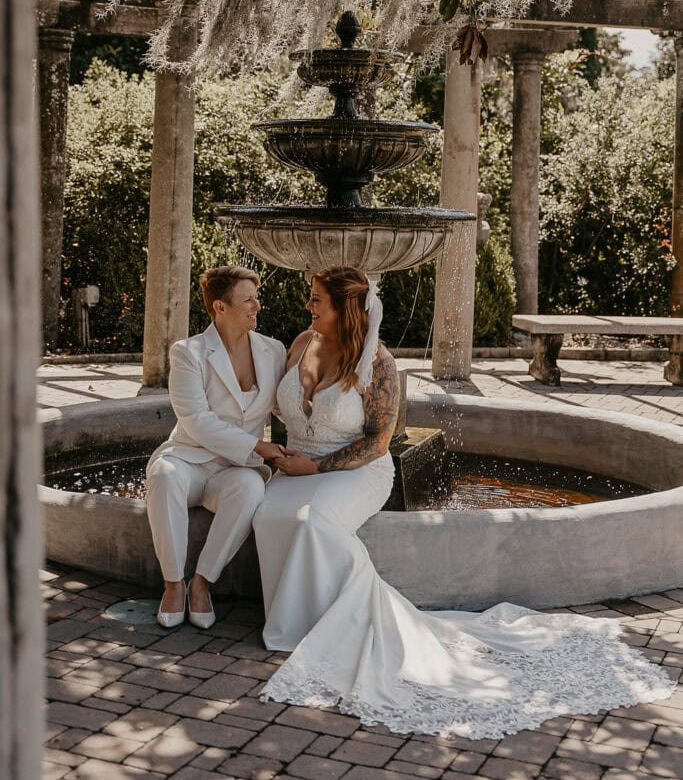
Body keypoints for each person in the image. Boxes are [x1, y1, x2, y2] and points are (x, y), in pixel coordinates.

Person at [252, 265, 675, 739]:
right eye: (310, 298)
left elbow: (376, 443)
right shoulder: (300, 343)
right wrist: (270, 452)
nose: (308, 306)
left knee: (313, 523)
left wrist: (316, 469)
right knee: (267, 514)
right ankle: (292, 616)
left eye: (317, 300)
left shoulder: (378, 364)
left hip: (352, 471)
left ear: (347, 311)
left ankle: (334, 625)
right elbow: (272, 409)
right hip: (298, 464)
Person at [146, 265, 287, 630]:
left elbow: (288, 404)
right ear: (220, 308)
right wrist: (261, 446)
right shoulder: (188, 352)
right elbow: (196, 419)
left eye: (256, 299)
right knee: (163, 475)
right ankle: (173, 584)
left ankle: (202, 583)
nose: (257, 306)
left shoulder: (273, 351)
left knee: (253, 487)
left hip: (236, 470)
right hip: (190, 459)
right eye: (248, 300)